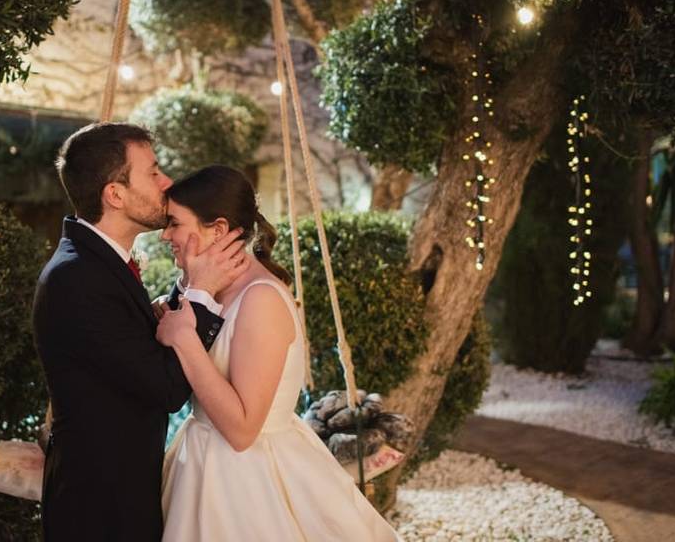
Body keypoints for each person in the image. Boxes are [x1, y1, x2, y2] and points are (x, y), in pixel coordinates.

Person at [156, 165, 400, 542]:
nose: (165, 235)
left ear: (218, 230)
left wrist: (185, 340)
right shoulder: (211, 290)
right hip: (199, 460)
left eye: (173, 223)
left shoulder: (261, 300)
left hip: (245, 479)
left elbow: (242, 430)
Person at [32, 124, 249, 541]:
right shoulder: (77, 278)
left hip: (116, 493)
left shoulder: (96, 264)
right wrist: (201, 291)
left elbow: (130, 352)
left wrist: (189, 283)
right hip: (100, 507)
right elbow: (166, 387)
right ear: (115, 194)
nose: (167, 182)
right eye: (152, 172)